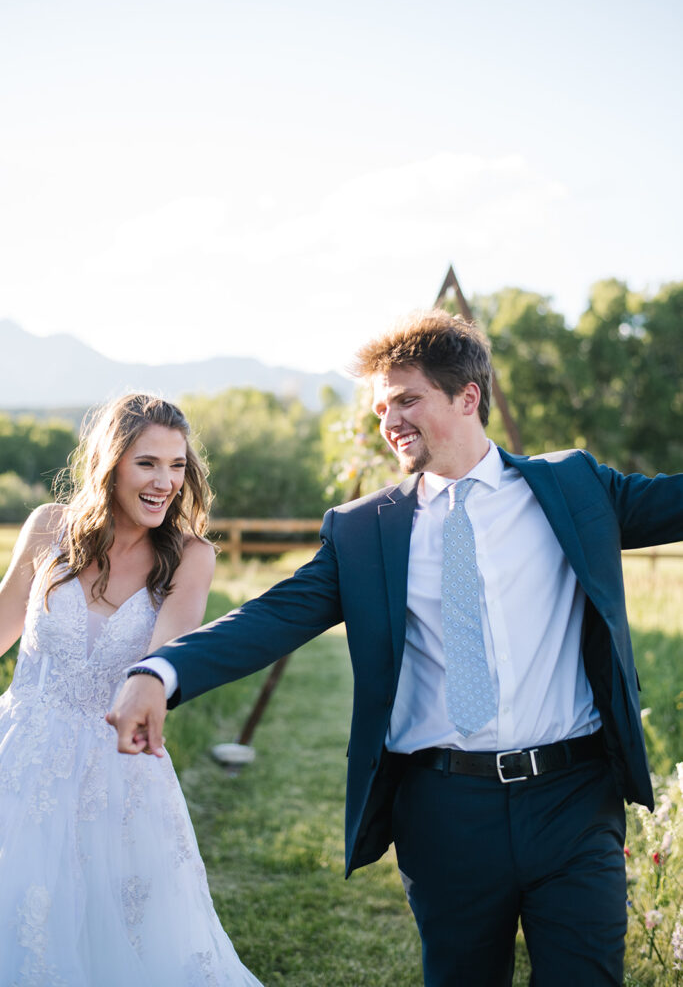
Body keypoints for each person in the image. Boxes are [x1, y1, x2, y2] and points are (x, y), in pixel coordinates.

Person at [109, 312, 683, 987]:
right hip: (444, 811)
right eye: (381, 407)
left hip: (573, 800)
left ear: (467, 396)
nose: (389, 420)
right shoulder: (364, 530)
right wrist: (160, 670)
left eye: (406, 398)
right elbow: (272, 616)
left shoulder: (574, 487)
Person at [0, 393, 262, 987]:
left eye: (177, 466)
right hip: (20, 760)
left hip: (120, 770)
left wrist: (147, 688)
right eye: (148, 463)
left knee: (124, 936)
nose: (165, 481)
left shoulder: (190, 556)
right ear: (110, 463)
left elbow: (169, 652)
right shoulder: (48, 529)